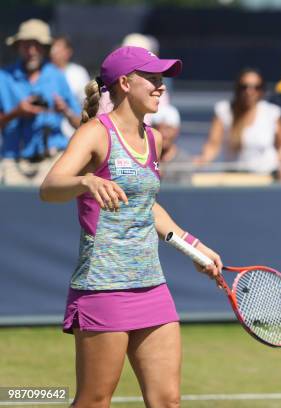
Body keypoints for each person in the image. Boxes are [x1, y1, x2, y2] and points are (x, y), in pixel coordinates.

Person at [39, 46, 222, 407]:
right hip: (103, 287)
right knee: (95, 400)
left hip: (151, 284)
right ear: (125, 83)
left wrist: (193, 246)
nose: (160, 87)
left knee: (167, 400)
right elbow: (49, 188)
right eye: (152, 79)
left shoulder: (154, 138)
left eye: (161, 80)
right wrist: (85, 182)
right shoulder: (95, 133)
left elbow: (146, 206)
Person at [0, 19, 81, 185]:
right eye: (26, 45)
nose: (31, 51)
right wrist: (16, 112)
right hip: (14, 161)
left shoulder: (57, 76)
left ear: (45, 48)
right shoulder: (4, 77)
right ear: (18, 47)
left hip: (52, 160)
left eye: (36, 45)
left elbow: (80, 124)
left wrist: (64, 110)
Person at [197, 68, 281, 173]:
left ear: (262, 90)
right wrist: (203, 160)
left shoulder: (272, 112)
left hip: (266, 176)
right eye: (244, 87)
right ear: (238, 89)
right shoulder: (224, 111)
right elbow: (213, 144)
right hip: (234, 177)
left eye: (256, 87)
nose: (249, 92)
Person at [50, 35, 91, 139]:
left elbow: (86, 104)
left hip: (73, 134)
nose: (54, 52)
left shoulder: (78, 73)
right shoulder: (44, 73)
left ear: (68, 52)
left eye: (58, 49)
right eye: (52, 48)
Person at [150, 104, 192, 184]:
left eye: (168, 128)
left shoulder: (184, 161)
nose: (163, 134)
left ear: (177, 130)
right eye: (158, 128)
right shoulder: (144, 158)